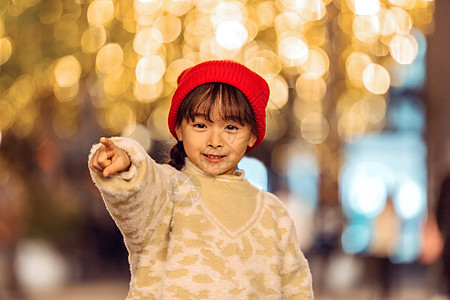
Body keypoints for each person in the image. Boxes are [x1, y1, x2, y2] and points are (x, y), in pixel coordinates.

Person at [88, 60, 313, 299]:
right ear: (179, 130)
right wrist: (126, 162)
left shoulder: (274, 214)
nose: (215, 140)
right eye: (200, 125)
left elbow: (296, 289)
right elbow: (139, 188)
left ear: (252, 135)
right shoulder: (167, 192)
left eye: (231, 127)